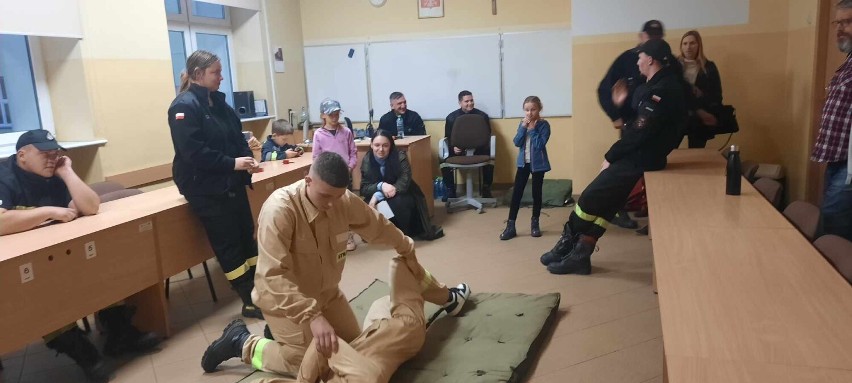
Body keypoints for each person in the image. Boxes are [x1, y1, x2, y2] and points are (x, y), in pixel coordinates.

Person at [200, 152, 467, 376]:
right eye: (325, 196)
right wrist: (312, 317)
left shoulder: (341, 200)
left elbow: (376, 226)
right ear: (307, 181)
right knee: (314, 368)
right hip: (284, 303)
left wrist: (404, 246)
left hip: (327, 295)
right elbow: (271, 276)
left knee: (354, 350)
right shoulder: (280, 210)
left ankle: (290, 338)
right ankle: (242, 342)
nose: (331, 205)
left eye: (337, 197)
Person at [0, 130, 160, 382]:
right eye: (44, 153)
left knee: (99, 267)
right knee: (42, 294)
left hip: (55, 252)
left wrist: (67, 172)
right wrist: (48, 211)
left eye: (55, 152)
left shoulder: (54, 172)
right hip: (15, 267)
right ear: (22, 155)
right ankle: (83, 353)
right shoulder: (5, 176)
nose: (52, 158)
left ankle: (119, 333)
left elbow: (90, 206)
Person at [543, 39, 686, 275]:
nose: (637, 61)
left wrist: (611, 155)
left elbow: (640, 133)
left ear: (650, 59)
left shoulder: (663, 90)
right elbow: (634, 121)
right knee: (607, 205)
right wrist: (620, 105)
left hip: (642, 157)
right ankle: (580, 253)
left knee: (588, 199)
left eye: (640, 57)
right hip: (637, 153)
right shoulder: (649, 84)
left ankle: (568, 243)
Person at [167, 50, 263, 320]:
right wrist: (233, 163)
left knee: (247, 234)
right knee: (229, 243)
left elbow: (237, 136)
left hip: (231, 180)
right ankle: (248, 298)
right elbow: (193, 152)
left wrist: (247, 159)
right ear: (198, 75)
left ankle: (260, 290)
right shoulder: (183, 107)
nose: (221, 77)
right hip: (206, 187)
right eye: (216, 73)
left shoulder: (218, 103)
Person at [296, 254, 469, 383]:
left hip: (371, 333)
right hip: (406, 329)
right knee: (402, 262)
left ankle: (413, 296)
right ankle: (451, 299)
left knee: (387, 300)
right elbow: (323, 343)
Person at [597, 20, 666, 230]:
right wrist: (615, 115)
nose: (652, 40)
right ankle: (618, 210)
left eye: (657, 37)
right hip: (631, 125)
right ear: (641, 36)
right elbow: (604, 89)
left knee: (653, 171)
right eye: (649, 36)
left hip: (654, 127)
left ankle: (651, 209)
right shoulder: (627, 59)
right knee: (624, 170)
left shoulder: (665, 60)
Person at [811, 0, 852, 241]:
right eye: (838, 22)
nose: (840, 28)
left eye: (847, 22)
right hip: (838, 159)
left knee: (833, 219)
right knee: (835, 221)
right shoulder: (847, 63)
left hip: (850, 165)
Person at [361, 129, 444, 240]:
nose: (381, 149)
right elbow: (364, 187)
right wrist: (381, 186)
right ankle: (383, 231)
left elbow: (403, 184)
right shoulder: (367, 159)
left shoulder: (400, 156)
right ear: (371, 145)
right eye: (377, 145)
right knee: (365, 205)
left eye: (385, 145)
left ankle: (401, 232)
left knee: (397, 203)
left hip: (402, 193)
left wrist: (377, 196)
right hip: (379, 193)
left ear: (391, 145)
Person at [500, 96, 551, 240]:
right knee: (517, 193)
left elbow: (540, 144)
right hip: (523, 163)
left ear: (539, 109)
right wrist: (523, 128)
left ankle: (535, 224)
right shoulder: (522, 123)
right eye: (527, 110)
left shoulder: (544, 125)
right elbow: (517, 142)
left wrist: (533, 130)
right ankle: (510, 225)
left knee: (536, 193)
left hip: (538, 165)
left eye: (533, 109)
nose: (529, 113)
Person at [312, 98, 359, 250]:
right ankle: (331, 239)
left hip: (345, 176)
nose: (335, 116)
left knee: (344, 207)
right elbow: (316, 157)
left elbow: (353, 153)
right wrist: (322, 175)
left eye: (337, 113)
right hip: (327, 178)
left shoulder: (346, 132)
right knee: (328, 208)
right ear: (323, 116)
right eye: (331, 113)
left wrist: (350, 168)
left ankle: (349, 237)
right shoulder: (318, 134)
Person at [442, 90, 494, 199]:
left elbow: (487, 135)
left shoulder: (482, 116)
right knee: (443, 157)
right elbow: (448, 137)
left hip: (479, 149)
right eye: (466, 101)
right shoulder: (451, 118)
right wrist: (453, 147)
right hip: (458, 150)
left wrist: (478, 146)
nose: (470, 103)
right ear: (460, 103)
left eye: (471, 100)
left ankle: (486, 188)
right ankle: (450, 189)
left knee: (490, 154)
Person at [677, 30, 723, 148]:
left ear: (699, 45)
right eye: (685, 43)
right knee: (670, 151)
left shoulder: (708, 67)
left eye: (692, 43)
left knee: (696, 152)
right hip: (678, 116)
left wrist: (701, 94)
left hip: (700, 117)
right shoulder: (674, 66)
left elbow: (717, 95)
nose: (688, 47)